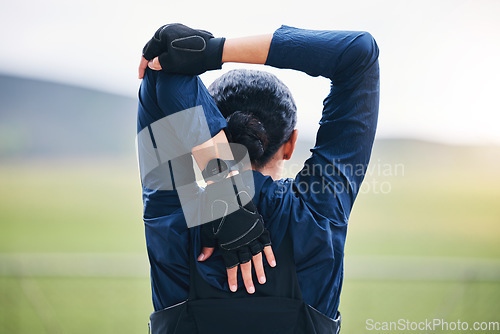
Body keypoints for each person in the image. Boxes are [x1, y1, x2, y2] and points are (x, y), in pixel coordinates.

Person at [137, 24, 379, 333]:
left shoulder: (176, 213)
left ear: (194, 131)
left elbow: (162, 76)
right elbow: (358, 54)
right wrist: (214, 51)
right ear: (290, 143)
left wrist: (227, 189)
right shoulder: (320, 211)